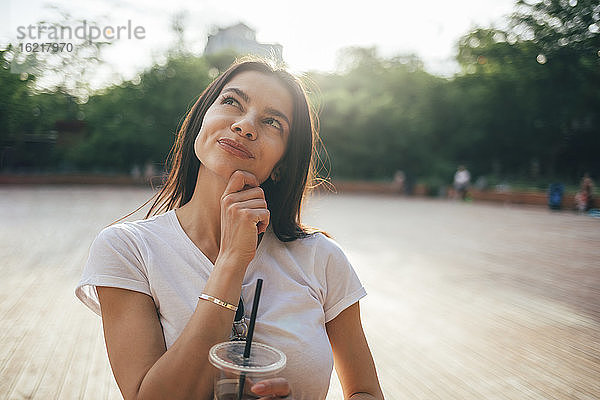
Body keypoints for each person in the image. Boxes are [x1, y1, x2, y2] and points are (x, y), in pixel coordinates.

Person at [75, 59, 384, 400]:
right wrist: (232, 261)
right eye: (232, 102)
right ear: (201, 122)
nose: (246, 126)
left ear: (281, 164)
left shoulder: (321, 258)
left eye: (272, 122)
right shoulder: (128, 249)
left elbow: (366, 392)